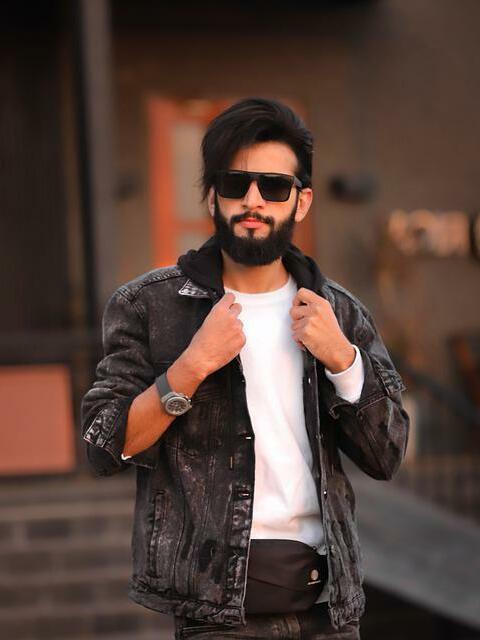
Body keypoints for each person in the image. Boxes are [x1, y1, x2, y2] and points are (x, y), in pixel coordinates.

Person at [81, 97, 409, 639]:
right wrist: (190, 367)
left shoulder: (338, 314)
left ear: (301, 202)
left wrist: (343, 360)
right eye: (236, 183)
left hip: (328, 612)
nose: (253, 200)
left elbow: (387, 454)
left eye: (274, 187)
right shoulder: (149, 306)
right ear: (212, 195)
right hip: (217, 617)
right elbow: (103, 446)